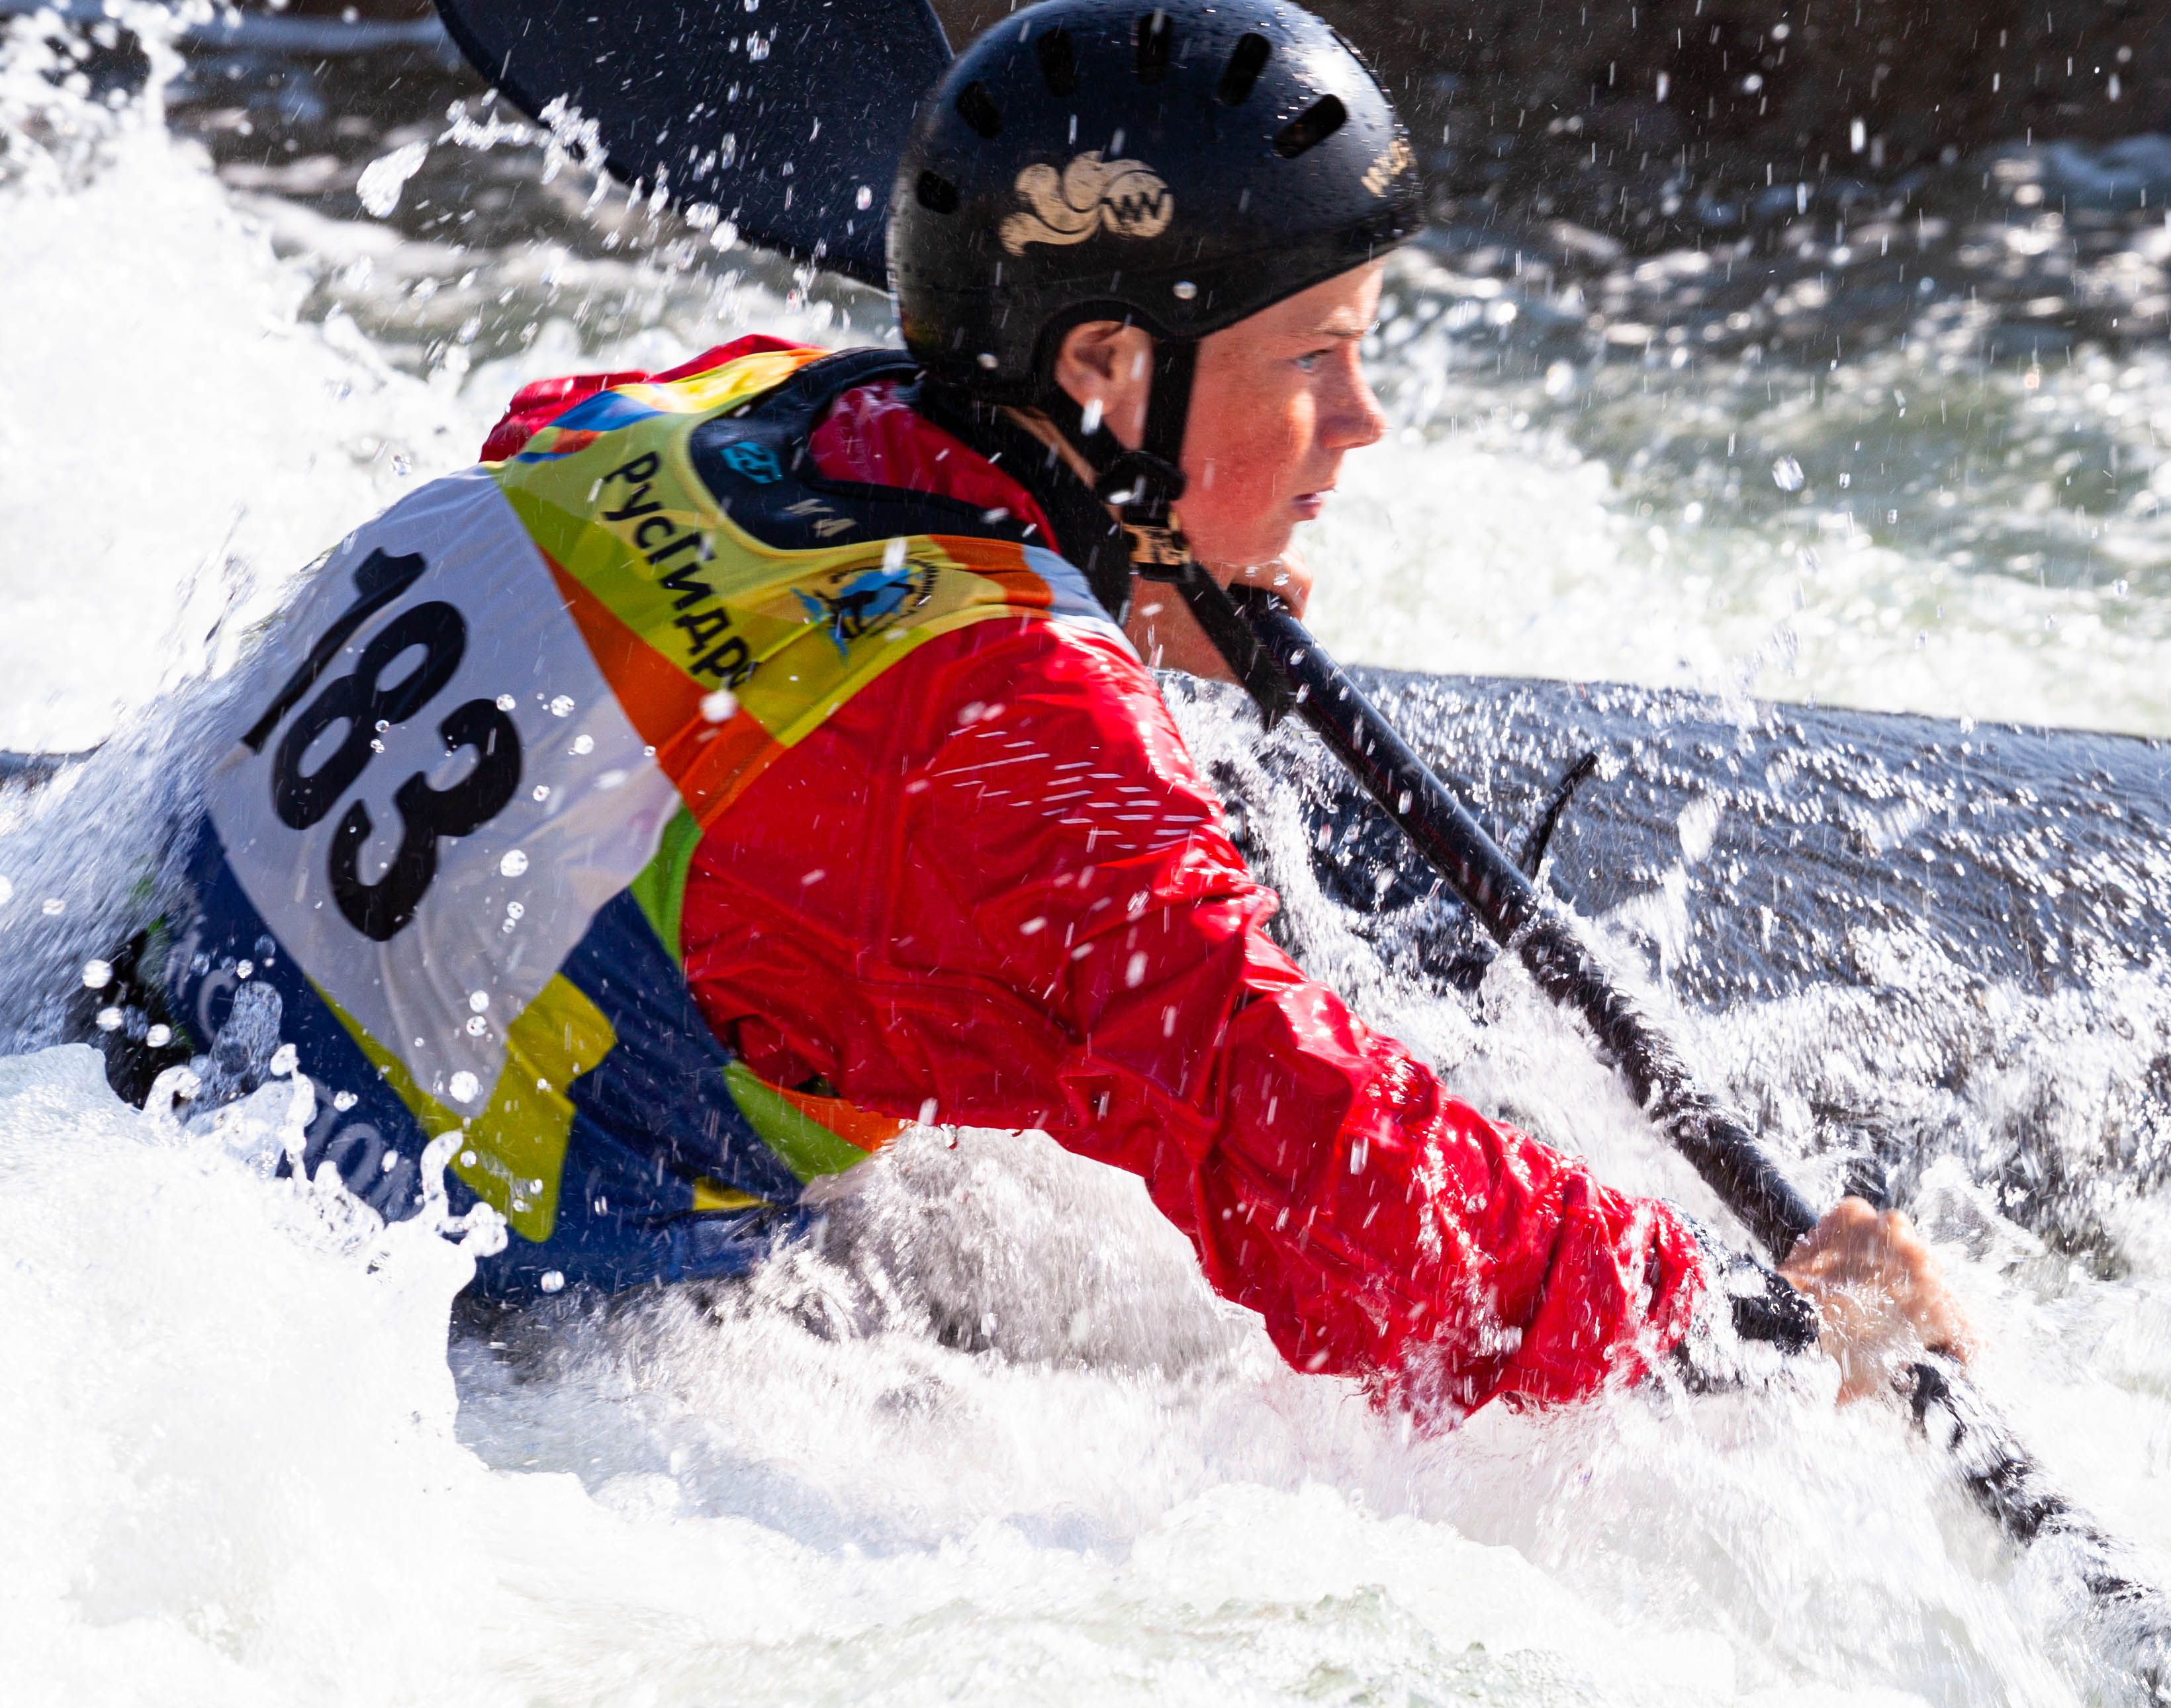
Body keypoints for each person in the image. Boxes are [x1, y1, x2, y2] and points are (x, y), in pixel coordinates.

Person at [111, 0, 1969, 1414]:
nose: (1363, 423)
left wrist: (1119, 589)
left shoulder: (722, 406)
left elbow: (763, 653)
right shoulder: (1002, 743)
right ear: (1103, 368)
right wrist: (1764, 1333)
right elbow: (1353, 1206)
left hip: (140, 1081)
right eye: (1318, 359)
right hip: (471, 1363)